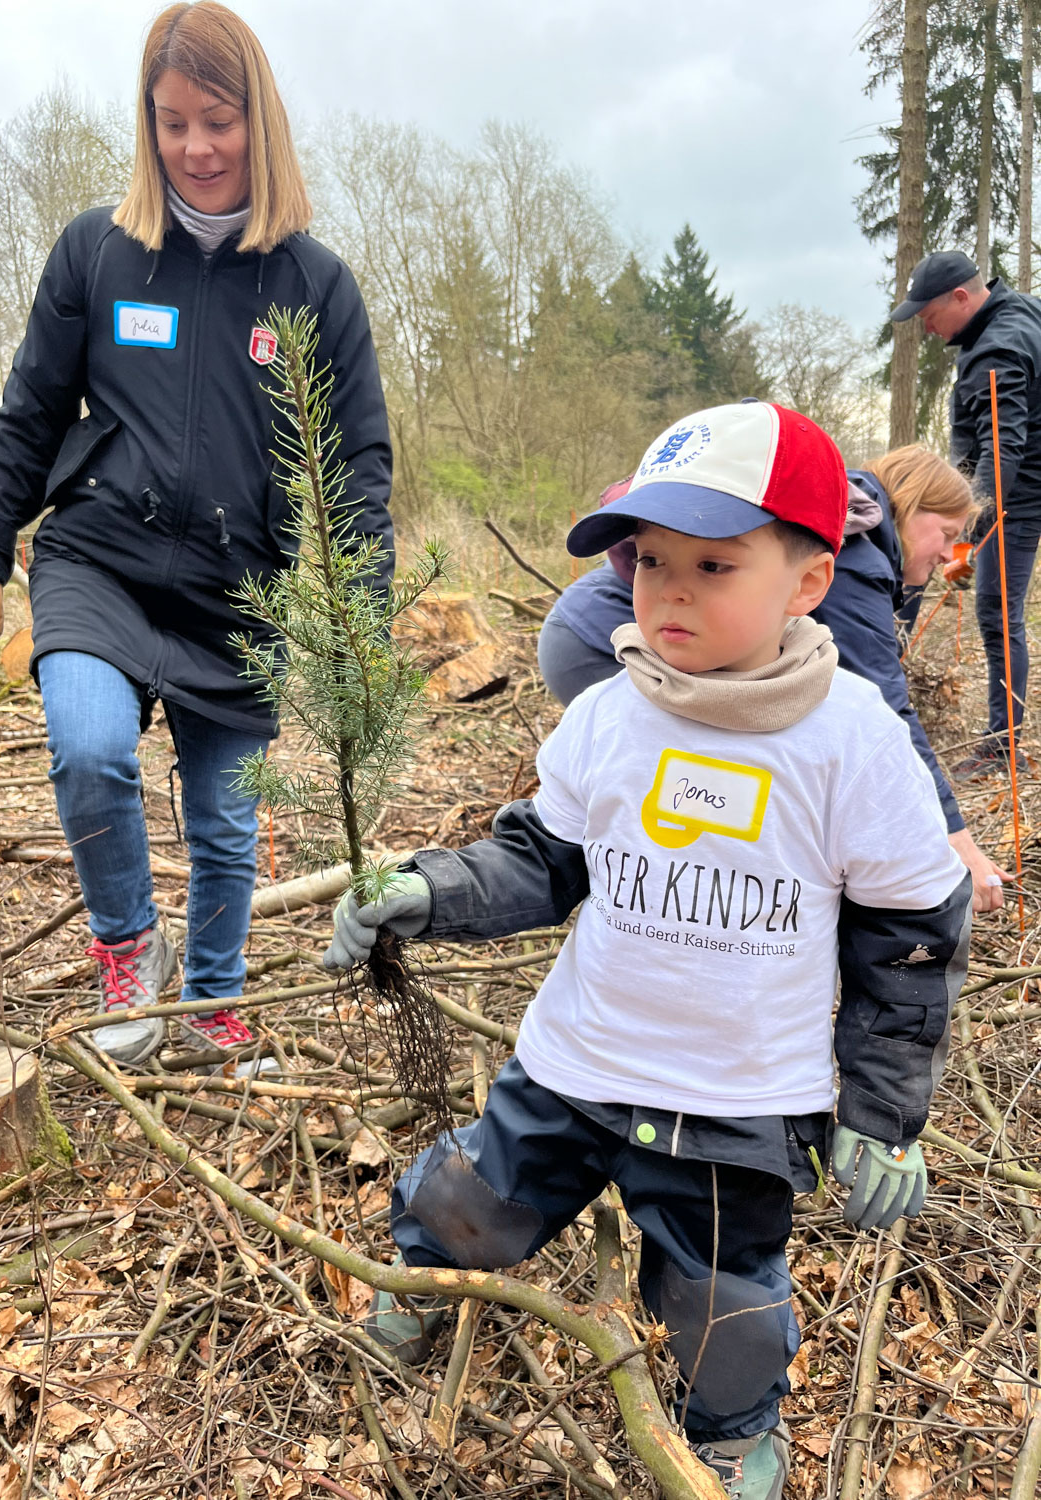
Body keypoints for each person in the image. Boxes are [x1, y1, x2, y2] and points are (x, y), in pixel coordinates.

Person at [325, 402, 971, 1500]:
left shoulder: (854, 740)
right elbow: (539, 859)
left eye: (714, 564)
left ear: (809, 581)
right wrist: (430, 887)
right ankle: (420, 1278)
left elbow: (910, 941)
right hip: (578, 1068)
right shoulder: (612, 716)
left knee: (726, 1307)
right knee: (474, 1202)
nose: (669, 589)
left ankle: (729, 1432)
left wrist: (884, 1114)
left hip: (738, 1102)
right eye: (648, 559)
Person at [0, 1, 392, 1071]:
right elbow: (30, 411)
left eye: (219, 121)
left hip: (243, 587)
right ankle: (127, 946)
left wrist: (358, 618)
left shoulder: (314, 286)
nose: (196, 147)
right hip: (103, 561)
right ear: (148, 125)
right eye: (173, 122)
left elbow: (360, 467)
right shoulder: (98, 254)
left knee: (229, 824)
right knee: (91, 749)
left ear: (260, 123)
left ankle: (217, 1003)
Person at [538, 443, 1008, 912]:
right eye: (946, 532)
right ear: (911, 503)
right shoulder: (856, 555)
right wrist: (953, 834)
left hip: (585, 630)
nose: (950, 551)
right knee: (692, 775)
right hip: (596, 640)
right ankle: (667, 911)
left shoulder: (860, 534)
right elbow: (884, 694)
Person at [892, 249, 1041, 778]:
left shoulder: (996, 350)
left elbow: (1001, 451)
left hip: (1013, 500)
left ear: (961, 297)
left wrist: (963, 533)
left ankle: (1002, 748)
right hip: (1001, 489)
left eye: (929, 315)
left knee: (998, 613)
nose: (926, 327)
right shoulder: (1017, 312)